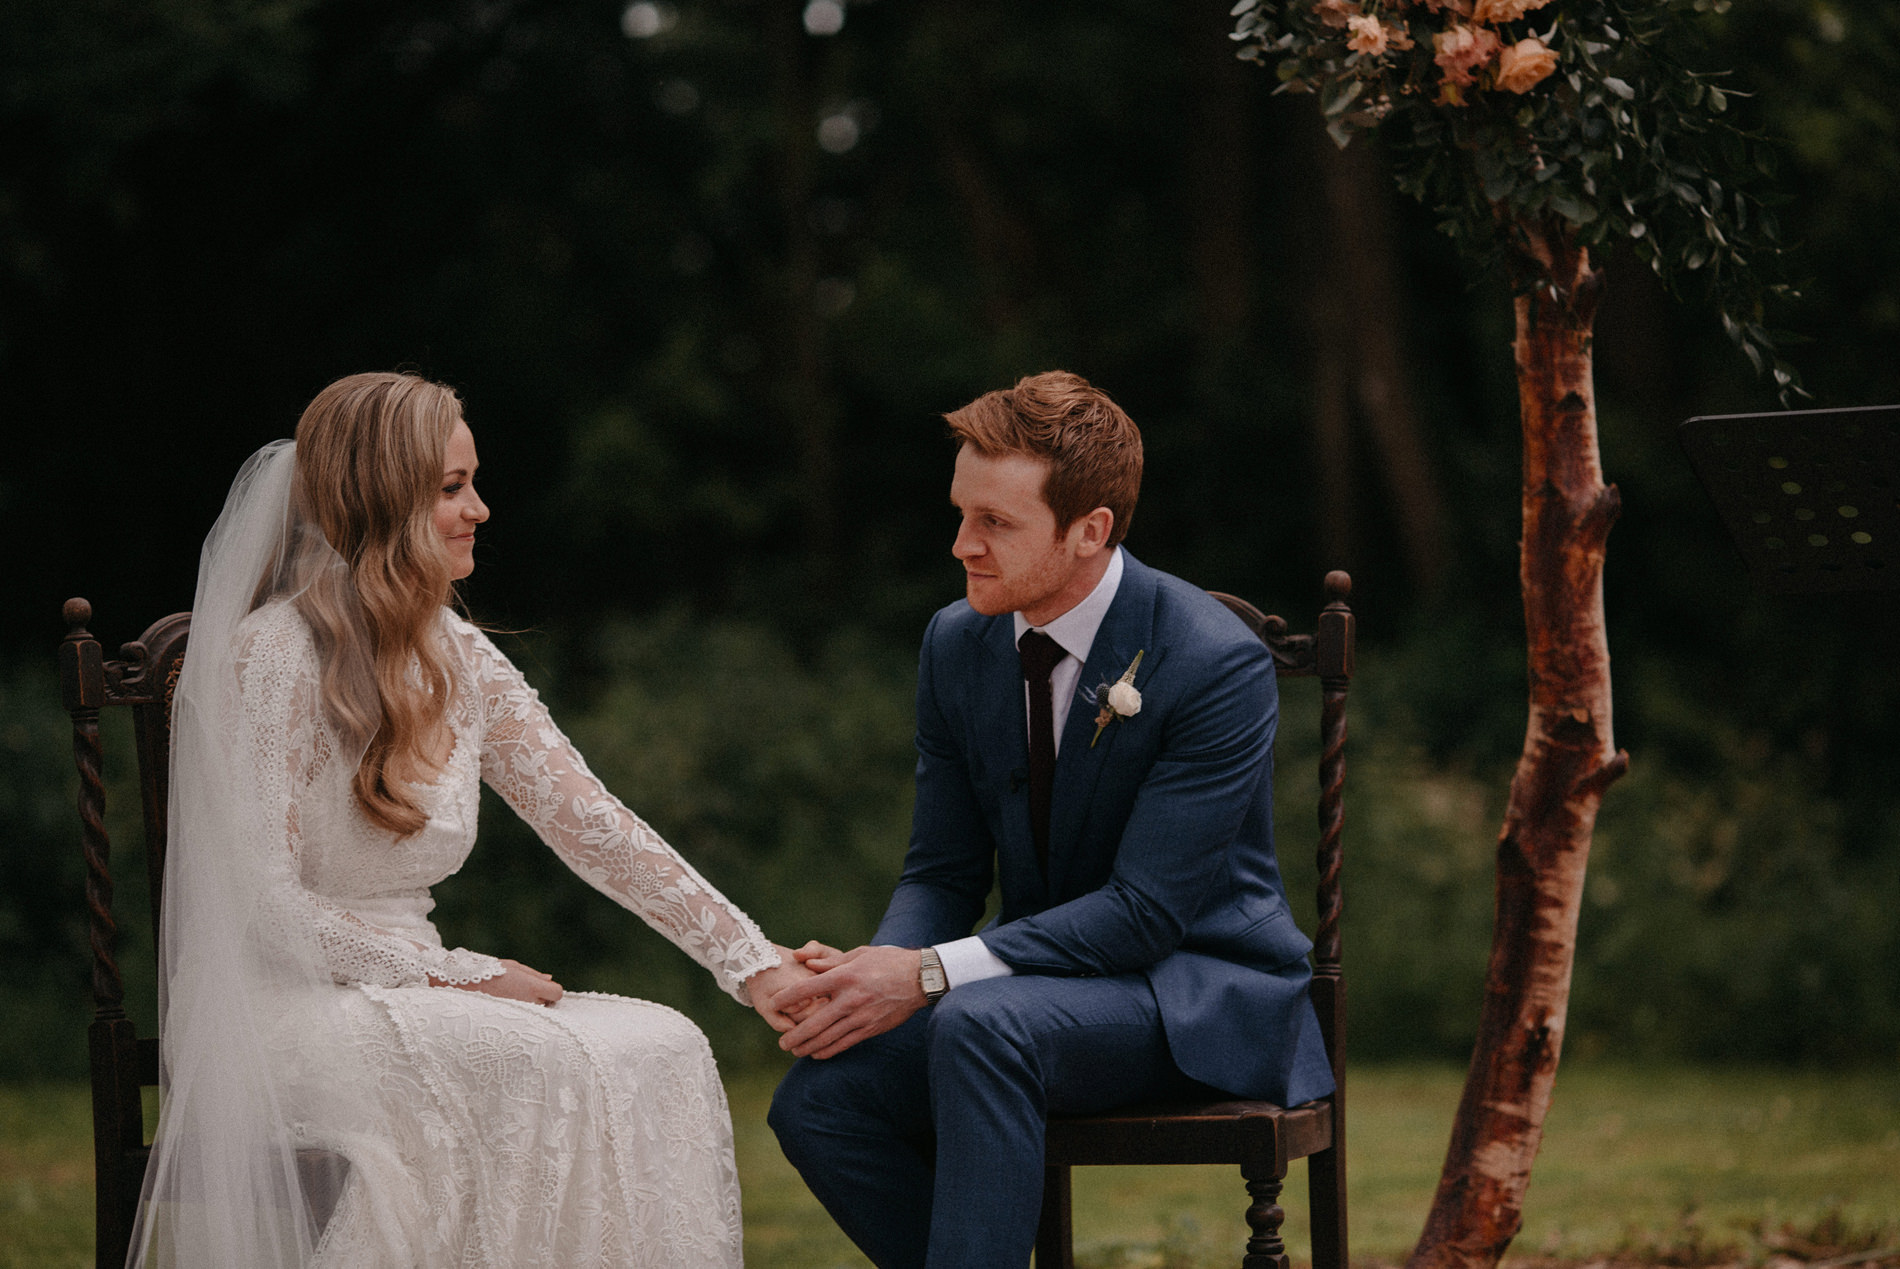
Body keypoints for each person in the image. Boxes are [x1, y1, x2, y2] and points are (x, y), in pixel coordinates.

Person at [137, 371, 814, 1268]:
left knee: (665, 1044)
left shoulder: (458, 655)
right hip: (283, 1010)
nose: (480, 509)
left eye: (473, 482)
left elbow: (593, 823)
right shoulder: (276, 655)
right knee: (526, 1060)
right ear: (381, 500)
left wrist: (752, 963)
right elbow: (265, 907)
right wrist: (454, 976)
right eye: (452, 487)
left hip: (410, 992)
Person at [764, 371, 1335, 1268]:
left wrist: (920, 976)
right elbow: (942, 871)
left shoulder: (1214, 661)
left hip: (1193, 991)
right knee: (819, 1101)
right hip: (1028, 989)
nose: (962, 544)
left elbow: (1147, 912)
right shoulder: (957, 643)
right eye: (961, 513)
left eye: (996, 522)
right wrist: (874, 978)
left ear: (1090, 530)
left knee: (976, 1024)